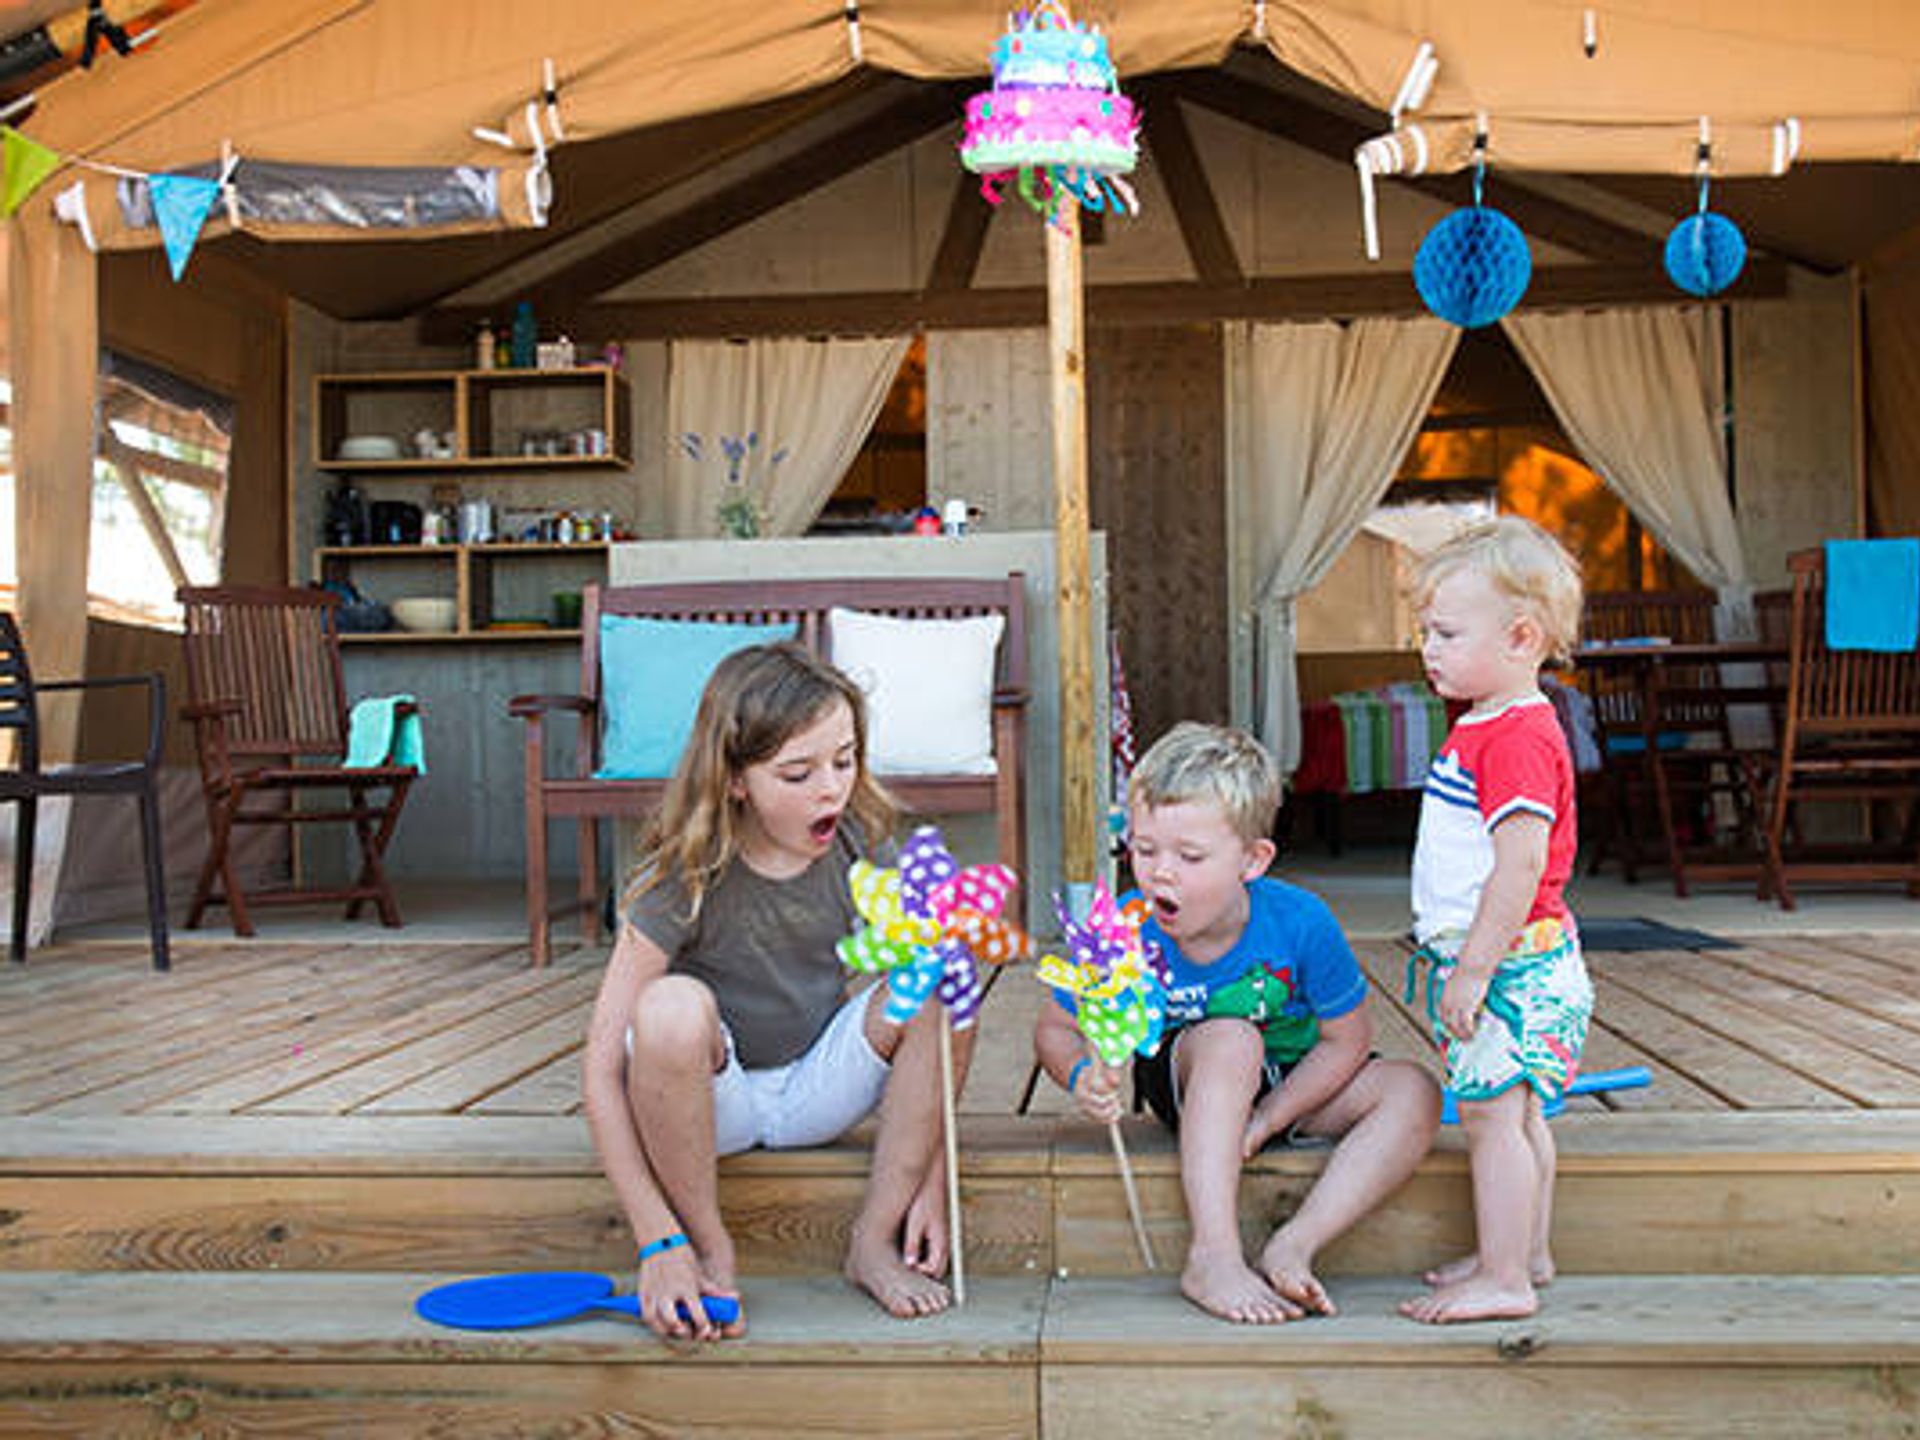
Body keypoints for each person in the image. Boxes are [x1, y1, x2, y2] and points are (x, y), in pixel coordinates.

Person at [581, 642, 969, 1342]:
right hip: (713, 1102)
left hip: (816, 1086)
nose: (831, 789)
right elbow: (603, 1070)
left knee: (941, 978)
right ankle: (709, 1246)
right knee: (668, 1008)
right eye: (798, 772)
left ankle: (871, 1241)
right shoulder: (683, 873)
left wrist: (932, 1181)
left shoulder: (858, 843)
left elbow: (938, 1014)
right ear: (735, 779)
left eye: (845, 761)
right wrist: (658, 1239)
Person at [1035, 722, 1440, 1324]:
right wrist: (1079, 1076)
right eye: (1144, 850)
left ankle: (1295, 1244)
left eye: (1189, 856)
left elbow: (1347, 1041)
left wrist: (1269, 1118)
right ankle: (1214, 1255)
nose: (1160, 873)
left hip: (1295, 1087)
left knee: (1414, 1090)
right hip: (1194, 1077)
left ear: (1253, 860)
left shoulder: (1302, 921)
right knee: (1232, 1037)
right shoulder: (1122, 928)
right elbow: (1055, 1028)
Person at [1399, 517, 1592, 1325]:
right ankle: (1524, 1252)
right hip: (1526, 957)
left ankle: (1507, 1277)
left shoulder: (1512, 739)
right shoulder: (1492, 723)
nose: (1428, 649)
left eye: (1446, 633)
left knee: (1490, 1117)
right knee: (1521, 1113)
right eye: (1426, 632)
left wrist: (1473, 969)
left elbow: (1520, 866)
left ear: (1521, 638)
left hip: (1508, 963)